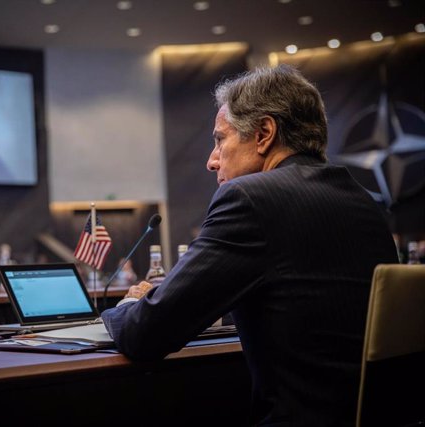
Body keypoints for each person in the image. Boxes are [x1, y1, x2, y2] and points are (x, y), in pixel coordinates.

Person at [101, 65, 399, 427]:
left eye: (219, 140)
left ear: (264, 134)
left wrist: (133, 302)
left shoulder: (248, 198)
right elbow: (304, 301)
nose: (212, 161)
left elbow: (145, 335)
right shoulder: (365, 203)